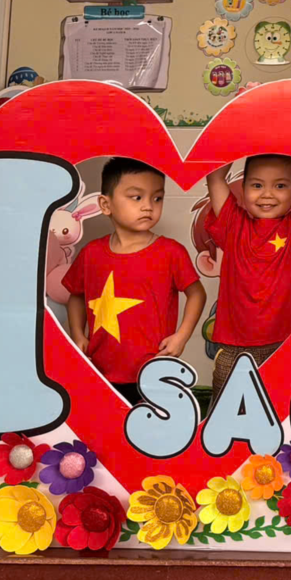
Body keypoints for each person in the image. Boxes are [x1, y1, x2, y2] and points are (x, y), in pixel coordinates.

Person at [62, 158, 205, 402]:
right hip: (101, 371)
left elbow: (197, 294)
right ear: (106, 205)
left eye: (157, 198)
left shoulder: (171, 252)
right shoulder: (91, 253)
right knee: (105, 423)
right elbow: (75, 295)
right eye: (137, 197)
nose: (148, 206)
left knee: (149, 425)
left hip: (154, 370)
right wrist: (77, 334)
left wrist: (181, 336)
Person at [203, 152, 291, 393]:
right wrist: (241, 139)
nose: (267, 194)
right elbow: (215, 177)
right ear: (243, 188)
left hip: (289, 342)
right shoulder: (232, 224)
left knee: (285, 407)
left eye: (280, 186)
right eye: (257, 185)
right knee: (226, 408)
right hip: (234, 345)